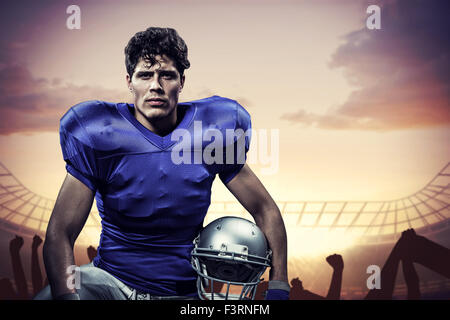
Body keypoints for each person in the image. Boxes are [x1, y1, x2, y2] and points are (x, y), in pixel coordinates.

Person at [35, 27, 288, 300]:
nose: (156, 85)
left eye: (166, 75)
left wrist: (279, 285)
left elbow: (265, 210)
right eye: (145, 75)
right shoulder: (99, 133)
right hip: (111, 281)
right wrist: (67, 296)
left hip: (185, 291)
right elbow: (60, 232)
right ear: (129, 81)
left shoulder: (212, 134)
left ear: (181, 81)